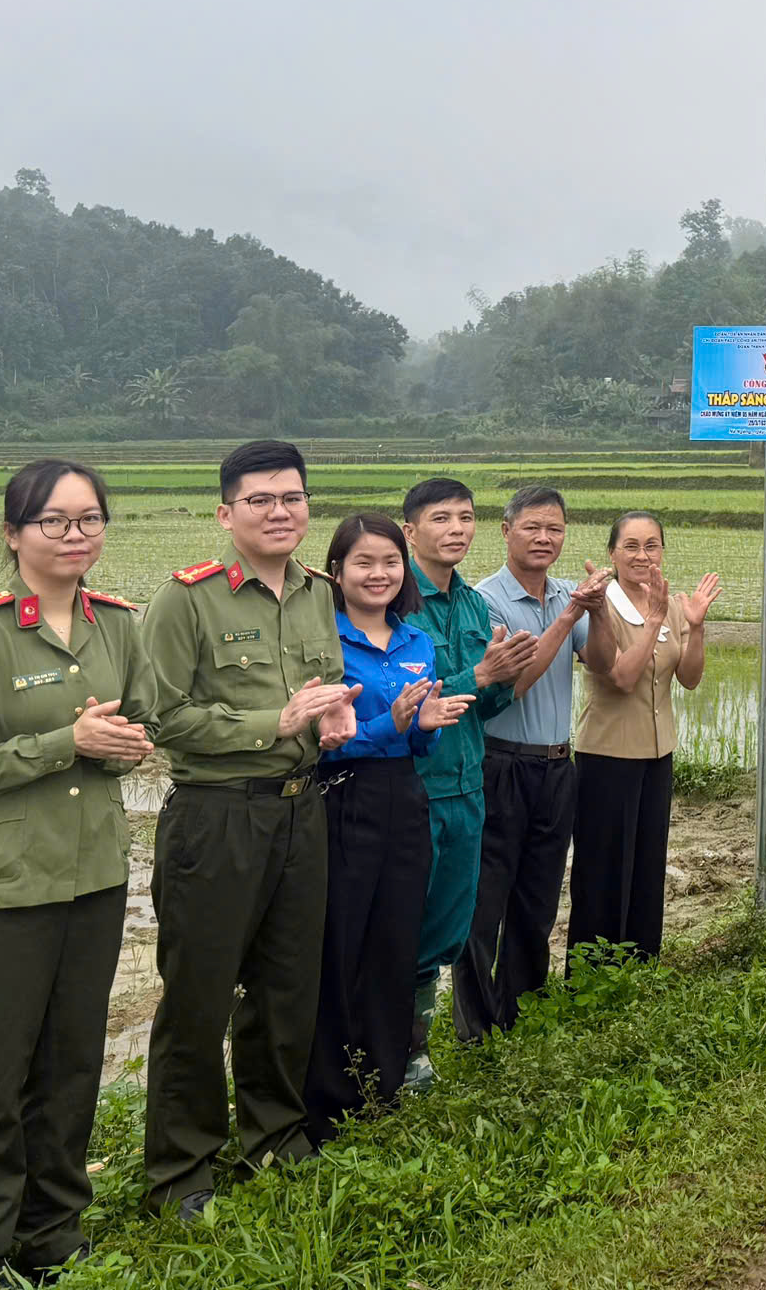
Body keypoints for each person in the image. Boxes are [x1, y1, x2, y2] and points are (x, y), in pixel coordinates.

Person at [0, 459, 152, 1284]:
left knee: (71, 1069)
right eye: (55, 521)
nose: (76, 535)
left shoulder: (119, 624)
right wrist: (68, 744)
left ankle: (53, 1236)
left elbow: (142, 722)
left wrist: (128, 742)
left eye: (90, 519)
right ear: (14, 532)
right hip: (1, 891)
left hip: (92, 879)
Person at [141, 439, 359, 1219]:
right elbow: (164, 718)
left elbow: (324, 687)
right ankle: (180, 1173)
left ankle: (275, 1138)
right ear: (225, 512)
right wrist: (277, 719)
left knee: (285, 988)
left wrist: (334, 713)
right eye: (261, 500)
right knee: (198, 999)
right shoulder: (187, 599)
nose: (279, 512)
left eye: (292, 498)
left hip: (302, 809)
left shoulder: (316, 591)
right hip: (217, 817)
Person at [305, 513, 471, 1146]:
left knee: (396, 942)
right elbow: (322, 749)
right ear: (338, 572)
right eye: (364, 563)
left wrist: (423, 725)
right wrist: (392, 725)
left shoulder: (417, 642)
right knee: (340, 945)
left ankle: (385, 1080)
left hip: (406, 802)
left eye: (390, 562)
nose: (379, 574)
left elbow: (417, 747)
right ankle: (329, 1099)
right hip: (343, 803)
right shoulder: (325, 645)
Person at [398, 478, 543, 1088]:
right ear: (410, 531)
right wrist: (479, 671)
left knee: (445, 927)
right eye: (440, 518)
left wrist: (500, 678)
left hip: (467, 785)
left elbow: (481, 708)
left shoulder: (473, 606)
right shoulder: (394, 599)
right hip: (414, 786)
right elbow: (404, 701)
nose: (456, 529)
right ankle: (385, 1054)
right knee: (399, 923)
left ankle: (414, 1049)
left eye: (465, 517)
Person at [459, 488, 607, 1041]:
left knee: (538, 899)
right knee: (485, 902)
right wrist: (571, 615)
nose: (545, 539)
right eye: (533, 528)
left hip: (556, 767)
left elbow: (603, 663)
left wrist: (598, 610)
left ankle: (522, 1014)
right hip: (501, 766)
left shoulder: (569, 592)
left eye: (556, 529)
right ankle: (476, 1030)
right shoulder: (485, 602)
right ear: (505, 530)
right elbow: (513, 685)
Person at [569, 512, 719, 957]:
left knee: (647, 863)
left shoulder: (671, 602)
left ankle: (640, 964)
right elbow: (620, 677)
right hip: (607, 755)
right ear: (612, 554)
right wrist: (653, 620)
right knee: (603, 869)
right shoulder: (602, 605)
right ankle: (594, 971)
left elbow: (689, 679)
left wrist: (697, 626)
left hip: (657, 754)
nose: (642, 555)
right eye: (631, 546)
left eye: (651, 545)